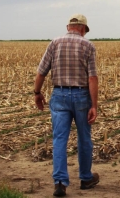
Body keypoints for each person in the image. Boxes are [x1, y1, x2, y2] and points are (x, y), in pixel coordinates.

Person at [34, 14, 100, 197]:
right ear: (82, 29)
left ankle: (60, 183)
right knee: (84, 139)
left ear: (69, 26)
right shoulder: (88, 45)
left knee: (59, 140)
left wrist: (37, 93)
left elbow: (41, 72)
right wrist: (94, 105)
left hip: (59, 95)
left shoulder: (54, 43)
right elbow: (92, 77)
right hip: (81, 96)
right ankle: (86, 178)